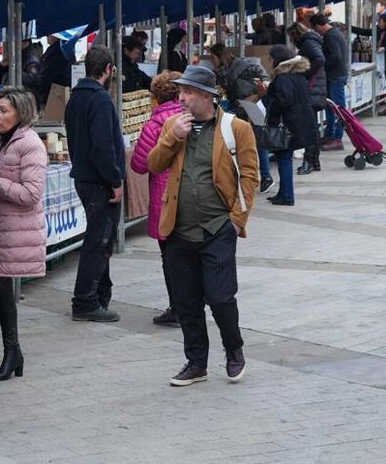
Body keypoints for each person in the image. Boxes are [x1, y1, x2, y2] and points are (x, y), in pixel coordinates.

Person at [147, 64, 259, 386]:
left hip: (217, 228)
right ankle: (196, 362)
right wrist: (172, 138)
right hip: (178, 229)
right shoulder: (173, 124)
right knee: (186, 300)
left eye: (189, 92)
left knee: (221, 297)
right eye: (181, 91)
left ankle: (234, 349)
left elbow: (250, 175)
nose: (182, 98)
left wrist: (237, 220)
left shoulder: (235, 128)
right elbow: (152, 164)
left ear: (208, 96)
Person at [0, 87, 47, 381]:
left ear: (20, 113)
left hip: (15, 231)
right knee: (1, 291)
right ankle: (9, 353)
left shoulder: (30, 144)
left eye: (4, 111)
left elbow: (31, 194)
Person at [64, 45, 124, 322]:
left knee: (101, 238)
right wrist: (114, 179)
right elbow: (103, 146)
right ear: (109, 69)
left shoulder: (76, 97)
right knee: (98, 240)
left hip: (85, 177)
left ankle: (100, 294)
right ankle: (85, 300)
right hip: (98, 181)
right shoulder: (99, 99)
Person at [130, 71, 184, 326]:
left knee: (169, 255)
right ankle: (190, 304)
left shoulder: (155, 123)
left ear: (156, 97)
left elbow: (139, 164)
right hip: (189, 194)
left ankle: (177, 307)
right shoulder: (191, 118)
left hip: (163, 197)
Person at [206, 43, 274, 192]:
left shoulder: (241, 65)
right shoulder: (221, 71)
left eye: (213, 57)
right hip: (239, 107)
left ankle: (266, 176)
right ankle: (248, 176)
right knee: (243, 141)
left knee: (259, 140)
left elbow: (259, 71)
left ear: (220, 56)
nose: (211, 60)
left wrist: (265, 80)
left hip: (252, 104)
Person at [265, 46, 315, 206]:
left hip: (288, 125)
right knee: (284, 158)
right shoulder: (296, 76)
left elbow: (283, 100)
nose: (269, 61)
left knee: (284, 158)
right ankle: (283, 192)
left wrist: (267, 98)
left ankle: (287, 195)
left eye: (271, 58)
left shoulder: (283, 78)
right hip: (298, 123)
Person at [288, 23, 325, 174]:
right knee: (313, 128)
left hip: (312, 89)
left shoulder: (308, 43)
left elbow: (319, 59)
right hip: (316, 88)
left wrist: (304, 72)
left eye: (291, 37)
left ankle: (309, 161)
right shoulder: (311, 41)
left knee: (309, 129)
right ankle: (314, 161)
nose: (291, 40)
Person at [354, 12, 386, 117]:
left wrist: (385, 49)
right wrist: (351, 28)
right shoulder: (378, 31)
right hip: (385, 62)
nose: (379, 23)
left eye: (381, 21)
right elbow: (365, 32)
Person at [312, 13, 349, 151]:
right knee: (330, 106)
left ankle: (337, 138)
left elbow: (336, 56)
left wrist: (323, 65)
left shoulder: (330, 36)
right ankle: (330, 134)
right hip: (335, 75)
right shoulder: (334, 33)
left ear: (318, 26)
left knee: (338, 108)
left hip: (335, 75)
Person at [0, 39, 43, 106]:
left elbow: (31, 81)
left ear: (25, 43)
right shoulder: (10, 59)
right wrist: (1, 65)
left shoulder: (31, 60)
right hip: (8, 98)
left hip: (23, 103)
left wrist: (13, 65)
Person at [37, 35, 72, 107]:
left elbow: (46, 77)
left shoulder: (56, 51)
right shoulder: (64, 48)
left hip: (54, 95)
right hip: (58, 93)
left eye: (50, 34)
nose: (47, 36)